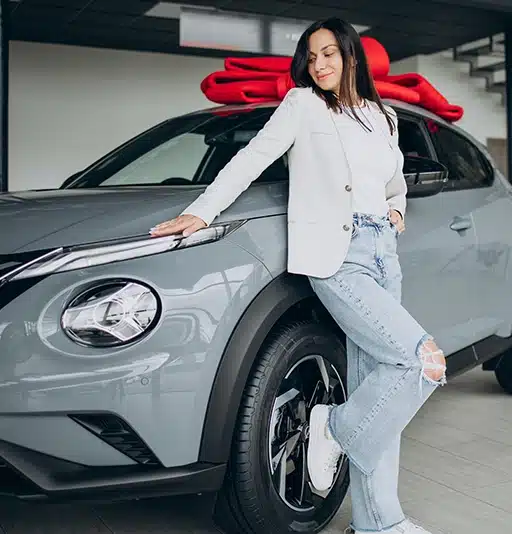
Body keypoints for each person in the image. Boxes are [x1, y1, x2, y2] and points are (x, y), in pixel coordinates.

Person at [150, 17, 447, 534]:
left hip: (382, 253)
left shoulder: (384, 117)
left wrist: (396, 214)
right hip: (338, 255)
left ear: (350, 55)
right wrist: (202, 211)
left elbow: (393, 182)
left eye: (329, 53)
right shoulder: (302, 106)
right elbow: (251, 158)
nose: (320, 64)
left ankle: (381, 523)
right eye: (312, 57)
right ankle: (331, 428)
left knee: (374, 387)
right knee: (419, 362)